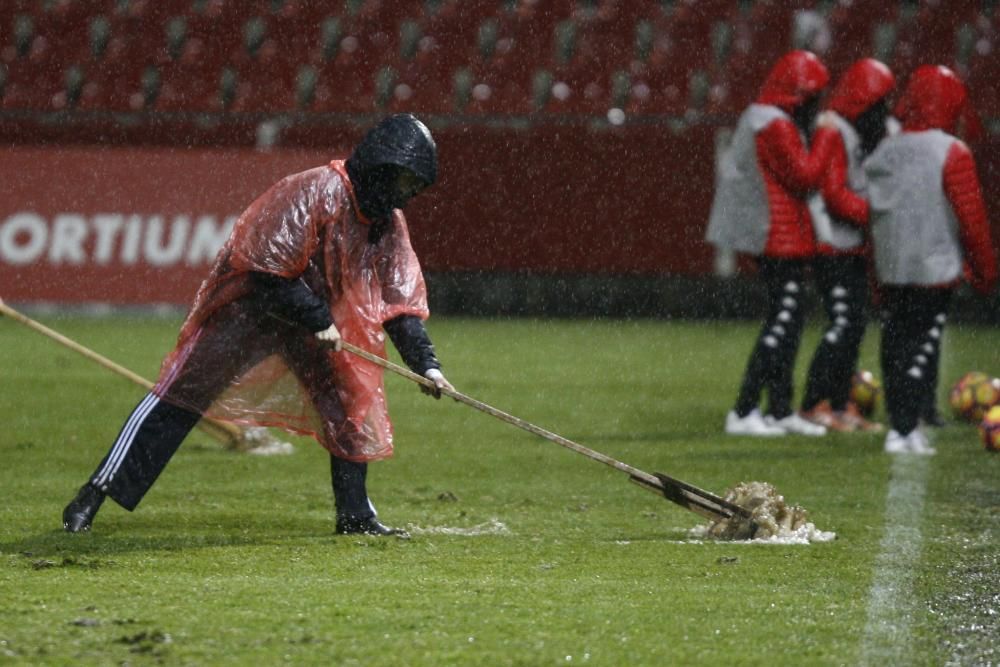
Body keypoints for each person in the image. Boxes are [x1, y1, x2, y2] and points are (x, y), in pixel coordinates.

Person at [62, 113, 453, 535]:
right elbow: (265, 270)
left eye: (413, 187)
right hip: (251, 312)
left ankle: (356, 517)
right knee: (180, 397)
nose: (405, 196)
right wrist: (317, 316)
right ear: (382, 167)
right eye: (403, 183)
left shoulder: (386, 224)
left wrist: (426, 365)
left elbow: (400, 300)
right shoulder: (315, 190)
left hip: (312, 328)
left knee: (347, 406)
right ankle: (94, 494)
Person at [864, 65, 997, 454]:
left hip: (892, 264)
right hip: (933, 263)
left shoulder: (885, 150)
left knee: (895, 341)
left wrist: (876, 271)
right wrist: (985, 272)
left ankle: (899, 423)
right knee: (922, 342)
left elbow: (874, 215)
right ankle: (907, 428)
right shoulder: (951, 150)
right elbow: (972, 220)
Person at [706, 50, 837, 437]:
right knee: (782, 321)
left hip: (783, 233)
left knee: (790, 321)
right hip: (777, 236)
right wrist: (827, 134)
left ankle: (779, 409)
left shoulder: (765, 119)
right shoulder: (774, 125)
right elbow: (805, 176)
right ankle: (745, 409)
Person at [799, 58, 895, 433]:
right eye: (879, 102)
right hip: (831, 245)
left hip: (850, 245)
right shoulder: (833, 130)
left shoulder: (852, 130)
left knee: (852, 326)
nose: (883, 111)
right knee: (842, 324)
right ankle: (813, 404)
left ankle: (841, 406)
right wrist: (878, 215)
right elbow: (834, 194)